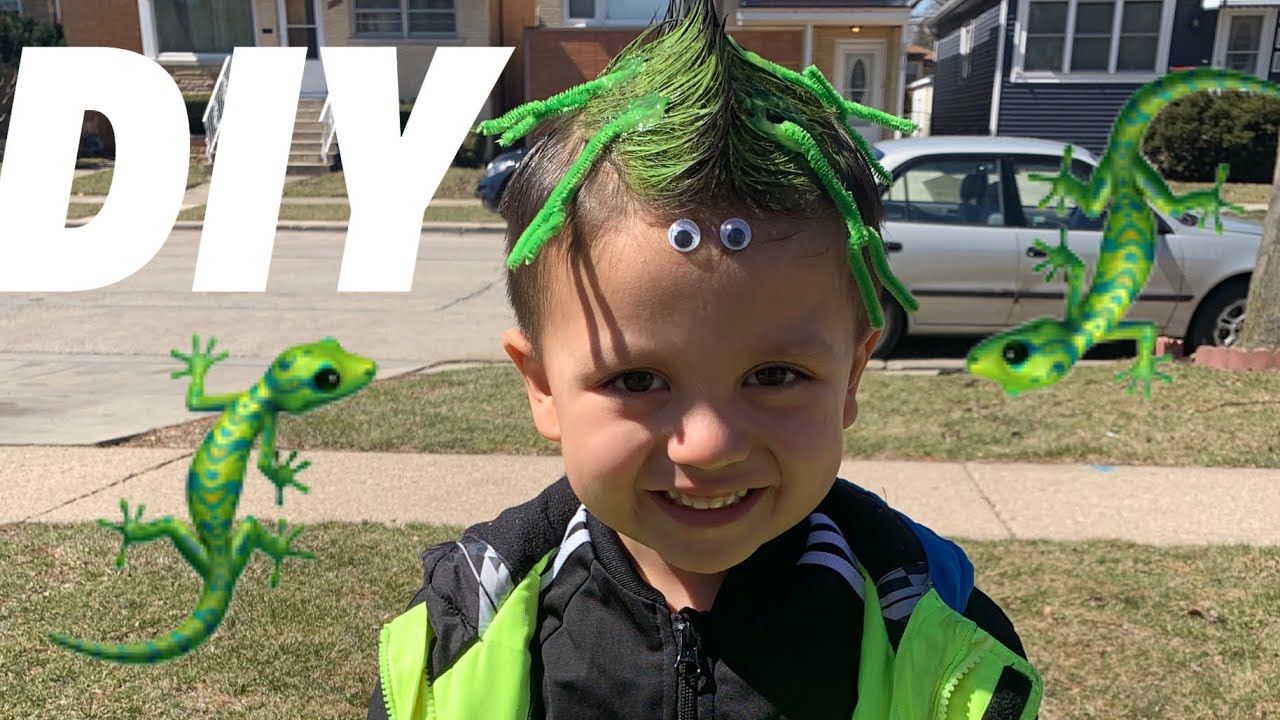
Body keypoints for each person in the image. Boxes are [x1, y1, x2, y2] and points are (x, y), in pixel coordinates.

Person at [367, 1, 1042, 717]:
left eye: (775, 376)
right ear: (541, 388)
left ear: (851, 375)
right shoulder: (454, 642)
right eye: (636, 380)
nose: (709, 443)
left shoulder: (946, 649)